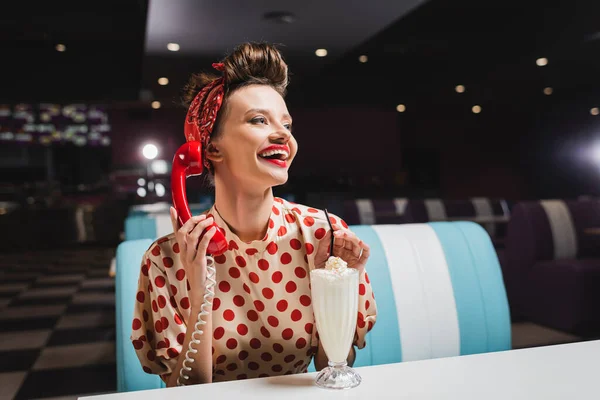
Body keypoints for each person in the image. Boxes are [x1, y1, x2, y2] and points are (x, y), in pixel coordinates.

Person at [131, 42, 377, 387]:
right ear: (210, 148)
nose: (283, 135)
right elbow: (184, 392)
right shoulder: (165, 259)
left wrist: (335, 290)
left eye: (287, 125)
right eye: (259, 120)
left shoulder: (325, 234)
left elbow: (332, 373)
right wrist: (200, 291)